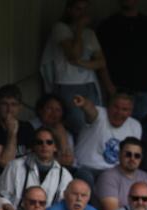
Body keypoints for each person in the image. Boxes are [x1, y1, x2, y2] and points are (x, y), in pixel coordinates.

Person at [40, 0, 105, 135]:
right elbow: (74, 53)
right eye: (78, 9)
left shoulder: (90, 33)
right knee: (76, 126)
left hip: (89, 83)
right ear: (69, 10)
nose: (82, 14)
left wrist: (80, 63)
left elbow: (101, 62)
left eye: (84, 10)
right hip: (67, 84)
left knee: (94, 123)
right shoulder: (60, 27)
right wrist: (79, 27)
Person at [97, 0, 147, 120]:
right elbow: (99, 59)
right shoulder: (107, 25)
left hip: (145, 91)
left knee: (143, 132)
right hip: (118, 90)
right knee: (117, 131)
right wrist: (109, 87)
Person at [0, 127, 72, 210]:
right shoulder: (15, 166)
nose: (44, 145)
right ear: (34, 146)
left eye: (49, 142)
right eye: (39, 142)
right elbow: (1, 196)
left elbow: (64, 204)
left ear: (55, 147)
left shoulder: (64, 175)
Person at [72, 93, 142, 175]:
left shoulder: (135, 126)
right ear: (108, 106)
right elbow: (90, 110)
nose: (119, 112)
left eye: (124, 109)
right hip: (86, 168)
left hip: (114, 174)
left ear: (130, 112)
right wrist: (84, 103)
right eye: (116, 107)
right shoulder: (100, 114)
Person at [95, 137, 147, 210]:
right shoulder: (107, 177)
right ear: (119, 155)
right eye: (128, 154)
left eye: (137, 156)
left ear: (141, 159)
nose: (132, 158)